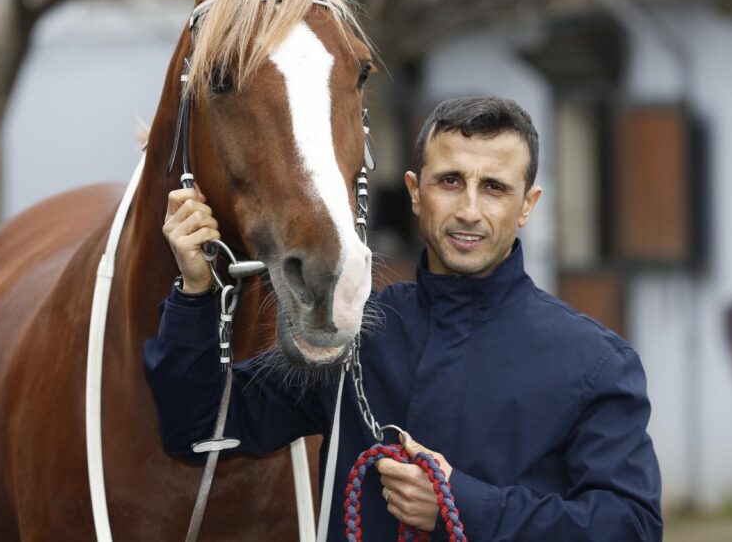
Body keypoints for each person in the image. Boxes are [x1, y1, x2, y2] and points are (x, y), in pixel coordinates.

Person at [144, 97, 663, 540]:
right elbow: (200, 428)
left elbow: (631, 527)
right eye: (450, 181)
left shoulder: (595, 362)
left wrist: (459, 503)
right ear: (415, 191)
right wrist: (195, 291)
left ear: (528, 204)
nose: (469, 210)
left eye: (494, 188)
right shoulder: (353, 332)